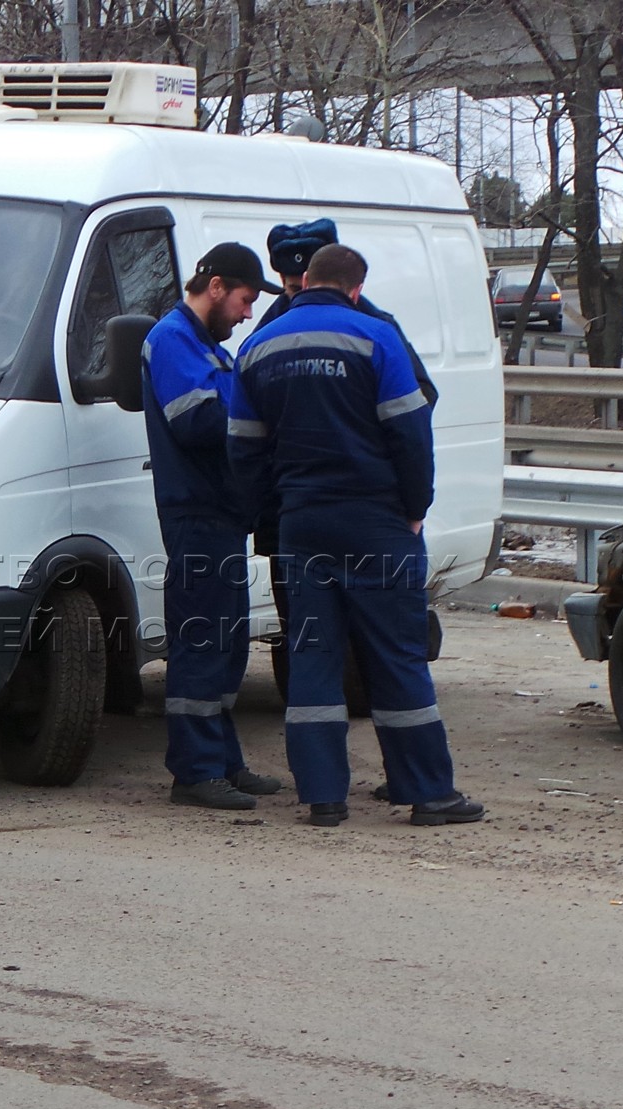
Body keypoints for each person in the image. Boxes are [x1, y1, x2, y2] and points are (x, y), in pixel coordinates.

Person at [229, 244, 483, 828]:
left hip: (301, 523)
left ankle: (323, 797)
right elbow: (412, 432)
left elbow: (243, 448)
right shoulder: (376, 336)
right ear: (354, 289)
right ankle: (427, 794)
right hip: (375, 521)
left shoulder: (258, 346)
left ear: (303, 283)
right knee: (396, 654)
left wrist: (272, 513)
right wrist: (414, 507)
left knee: (312, 655)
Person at [142, 242, 285, 812]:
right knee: (203, 643)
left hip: (219, 516)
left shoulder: (206, 347)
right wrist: (260, 414)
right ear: (218, 286)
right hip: (196, 514)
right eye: (246, 301)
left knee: (224, 646)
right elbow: (198, 421)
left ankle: (223, 761)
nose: (247, 314)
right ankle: (196, 772)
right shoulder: (172, 339)